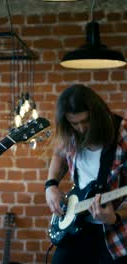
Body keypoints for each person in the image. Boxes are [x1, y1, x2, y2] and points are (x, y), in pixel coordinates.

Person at [45, 84, 127, 263]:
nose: (81, 128)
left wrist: (115, 216)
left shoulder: (123, 134)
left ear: (97, 115)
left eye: (86, 121)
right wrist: (50, 185)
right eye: (75, 123)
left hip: (114, 232)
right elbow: (59, 154)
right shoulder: (71, 133)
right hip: (76, 226)